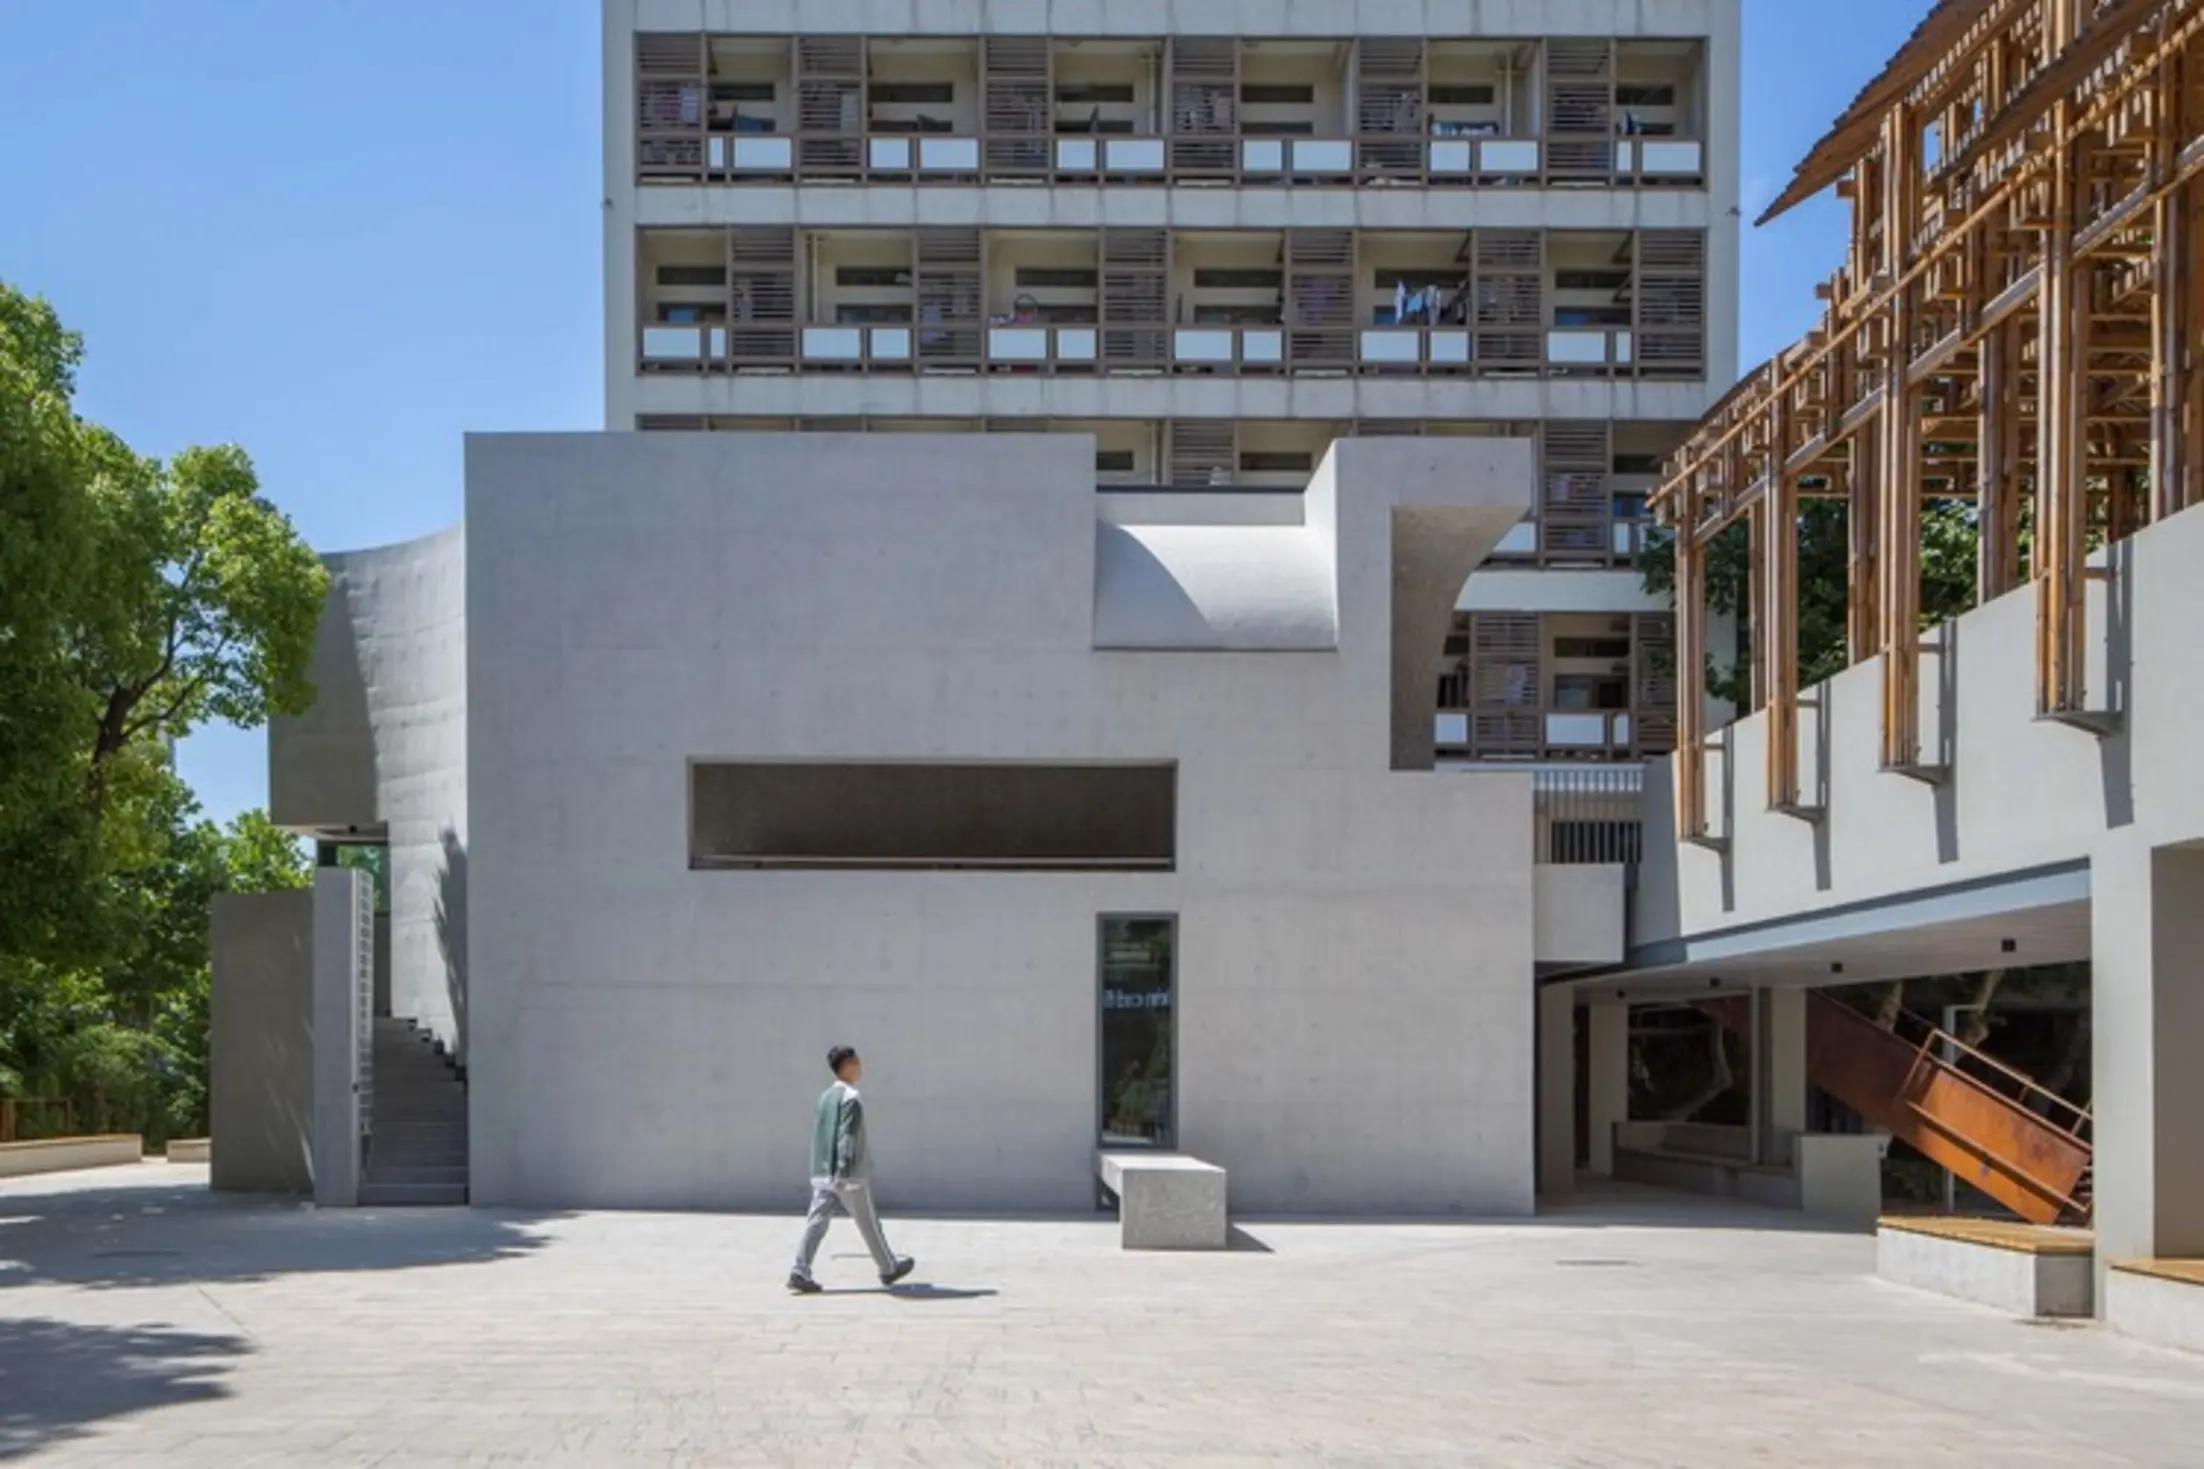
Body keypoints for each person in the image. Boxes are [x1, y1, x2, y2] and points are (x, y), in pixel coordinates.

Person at [788, 1045, 915, 1294]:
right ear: (846, 1065)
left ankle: (799, 1269)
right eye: (856, 1060)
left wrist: (824, 1170)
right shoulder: (851, 1098)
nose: (860, 1065)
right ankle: (889, 1268)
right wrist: (843, 1171)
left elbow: (819, 1135)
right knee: (868, 1223)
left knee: (816, 1222)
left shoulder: (825, 1097)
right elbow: (846, 1136)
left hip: (822, 1174)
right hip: (848, 1176)